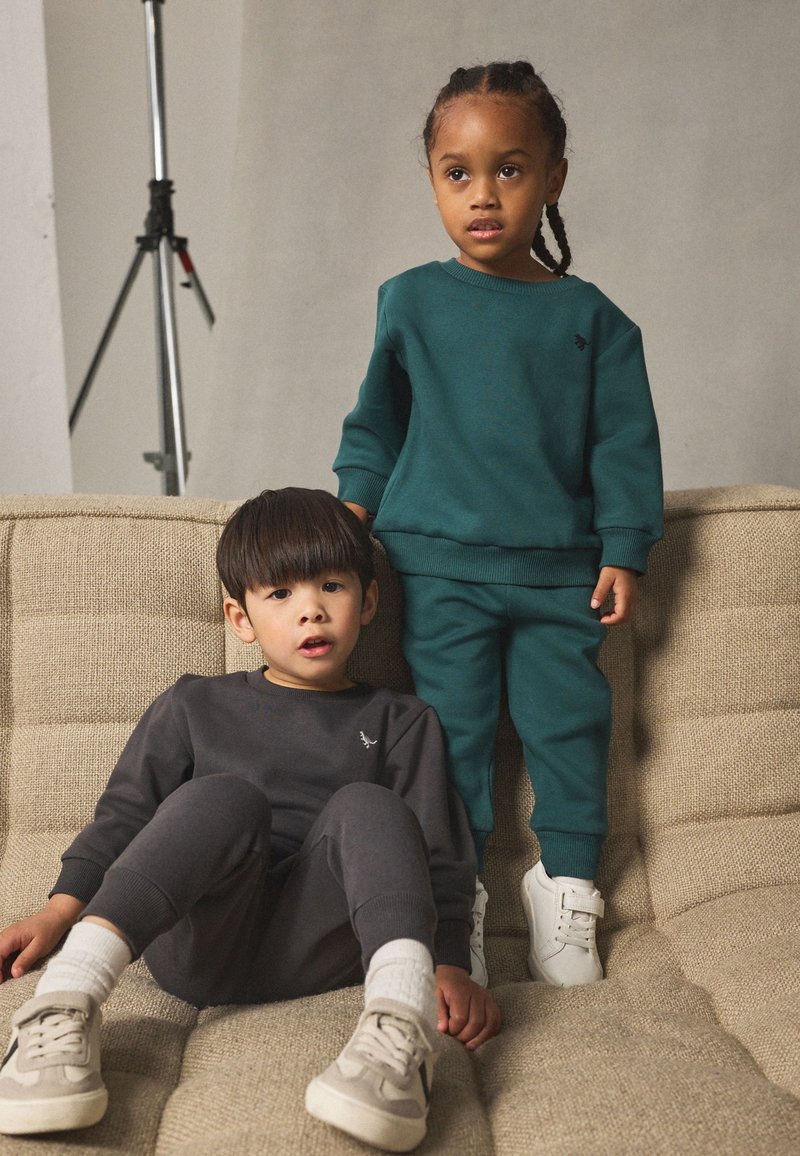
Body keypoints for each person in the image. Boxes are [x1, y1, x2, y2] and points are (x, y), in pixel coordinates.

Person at [0, 487, 500, 1152]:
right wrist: (58, 912)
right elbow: (123, 818)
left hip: (318, 951)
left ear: (368, 602)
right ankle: (63, 1004)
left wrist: (449, 964)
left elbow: (438, 853)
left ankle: (396, 1032)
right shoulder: (193, 704)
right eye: (281, 594)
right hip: (195, 941)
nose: (311, 609)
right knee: (223, 798)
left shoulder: (401, 720)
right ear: (241, 618)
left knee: (371, 806)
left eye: (332, 586)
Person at [333, 61, 663, 990]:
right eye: (458, 173)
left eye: (509, 169)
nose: (483, 194)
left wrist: (626, 547)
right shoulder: (409, 301)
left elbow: (624, 445)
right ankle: (454, 903)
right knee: (454, 739)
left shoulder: (595, 320)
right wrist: (351, 515)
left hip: (563, 575)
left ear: (554, 177)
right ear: (433, 181)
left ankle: (567, 886)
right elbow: (377, 425)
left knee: (572, 728)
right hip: (437, 569)